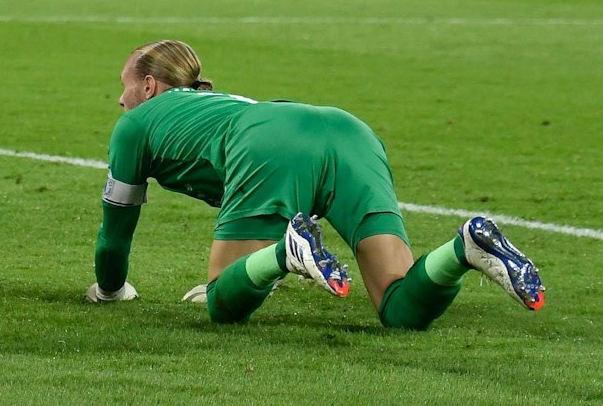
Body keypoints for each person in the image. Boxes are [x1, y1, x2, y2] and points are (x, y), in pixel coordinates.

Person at [86, 40, 545, 329]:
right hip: (349, 133)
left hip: (271, 141)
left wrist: (110, 290)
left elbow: (114, 236)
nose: (120, 98)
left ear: (149, 86)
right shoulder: (221, 103)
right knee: (399, 309)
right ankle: (463, 249)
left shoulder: (134, 126)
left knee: (223, 303)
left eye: (124, 85)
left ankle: (286, 253)